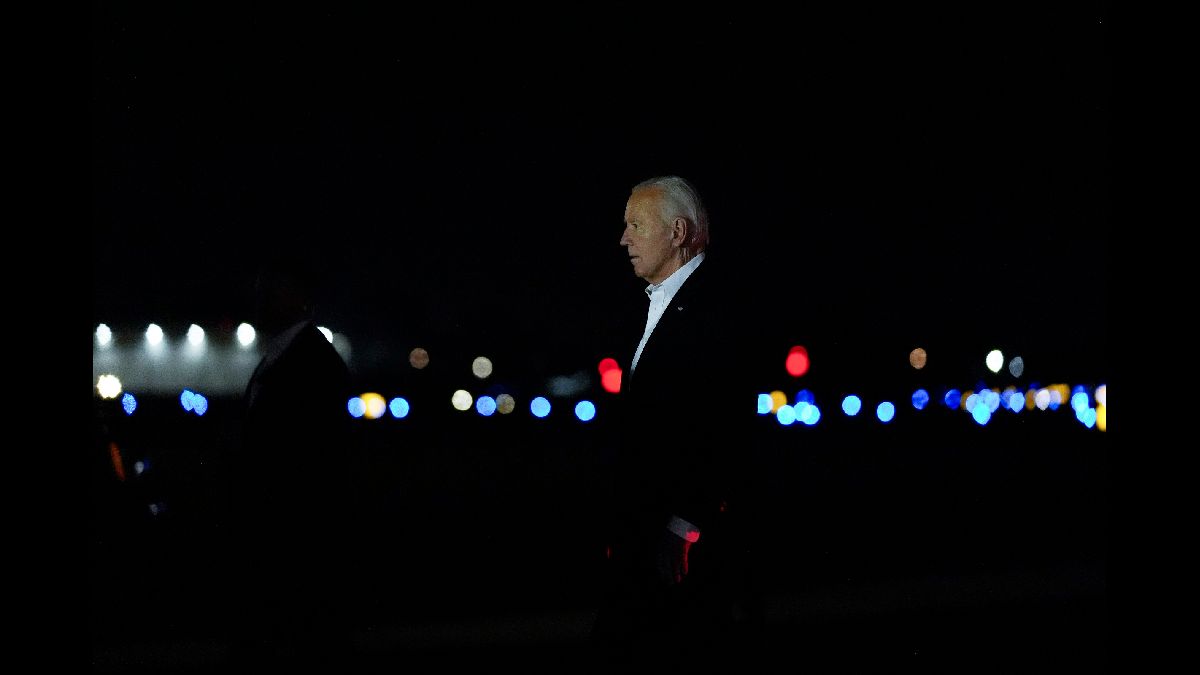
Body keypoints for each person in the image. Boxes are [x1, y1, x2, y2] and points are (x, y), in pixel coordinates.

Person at [591, 176, 763, 661]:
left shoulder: (714, 310)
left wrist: (684, 525)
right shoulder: (661, 304)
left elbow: (726, 428)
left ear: (678, 232)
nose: (623, 239)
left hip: (680, 547)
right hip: (651, 538)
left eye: (636, 225)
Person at [221, 251, 355, 670]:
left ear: (300, 299)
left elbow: (312, 459)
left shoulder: (309, 362)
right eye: (261, 291)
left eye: (272, 292)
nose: (260, 301)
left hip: (291, 538)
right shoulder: (291, 356)